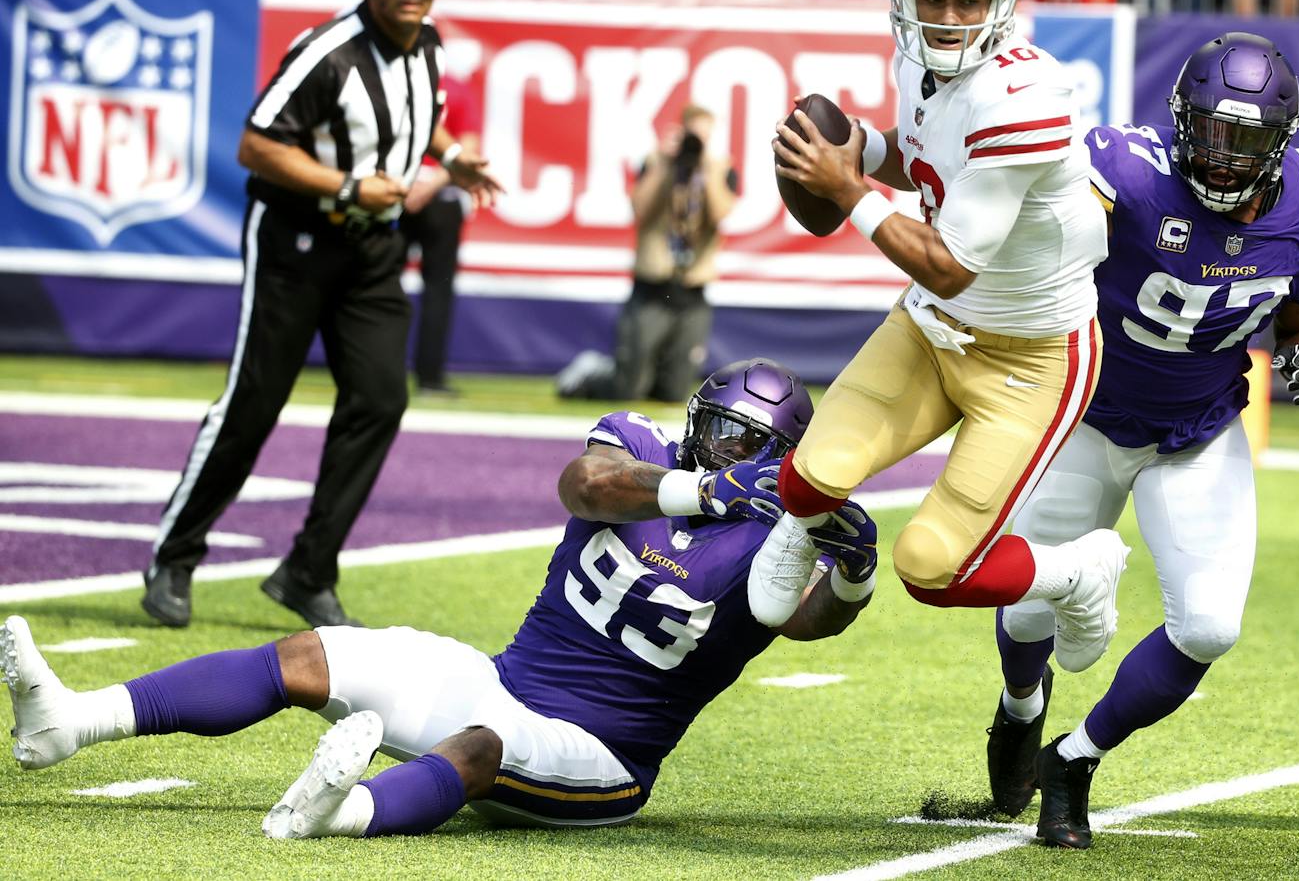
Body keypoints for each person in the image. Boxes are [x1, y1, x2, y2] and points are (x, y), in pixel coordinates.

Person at [6, 358, 878, 836]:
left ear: (779, 454)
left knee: (479, 746)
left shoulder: (776, 534)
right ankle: (72, 720)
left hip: (602, 752)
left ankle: (341, 813)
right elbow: (586, 484)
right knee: (310, 654)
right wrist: (700, 492)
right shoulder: (644, 449)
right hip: (503, 674)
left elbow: (794, 620)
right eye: (714, 423)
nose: (716, 445)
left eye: (742, 440)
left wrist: (853, 575)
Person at [983, 33, 1299, 850]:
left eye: (1241, 140)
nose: (1220, 155)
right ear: (1178, 122)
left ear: (1279, 142)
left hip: (1198, 430)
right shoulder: (1126, 171)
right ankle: (1019, 709)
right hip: (1083, 418)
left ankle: (1075, 759)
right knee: (1029, 607)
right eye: (1207, 131)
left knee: (1209, 625)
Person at [768, 0, 1129, 675]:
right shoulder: (921, 60)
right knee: (808, 479)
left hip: (1030, 360)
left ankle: (1078, 573)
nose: (947, 14)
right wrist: (859, 147)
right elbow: (925, 153)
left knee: (932, 566)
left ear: (1005, 0)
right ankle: (826, 541)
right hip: (933, 327)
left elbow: (949, 260)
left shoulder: (1026, 96)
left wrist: (848, 187)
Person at [142, 0, 502, 631]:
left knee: (380, 398)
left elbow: (413, 119)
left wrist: (451, 153)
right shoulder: (327, 52)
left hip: (371, 251)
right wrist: (342, 186)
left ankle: (308, 569)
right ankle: (173, 555)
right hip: (297, 242)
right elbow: (254, 143)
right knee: (254, 404)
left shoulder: (425, 42)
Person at [557, 104, 738, 403]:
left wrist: (706, 169)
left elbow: (720, 213)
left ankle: (650, 374)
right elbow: (640, 209)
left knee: (676, 392)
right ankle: (591, 373)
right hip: (653, 285)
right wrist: (666, 165)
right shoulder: (657, 163)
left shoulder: (720, 169)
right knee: (628, 389)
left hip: (692, 289)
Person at [400, 39, 487, 397]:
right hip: (442, 196)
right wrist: (433, 183)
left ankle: (377, 370)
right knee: (437, 290)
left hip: (396, 193)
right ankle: (429, 377)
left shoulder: (400, 85)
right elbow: (466, 154)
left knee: (379, 288)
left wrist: (410, 185)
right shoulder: (459, 91)